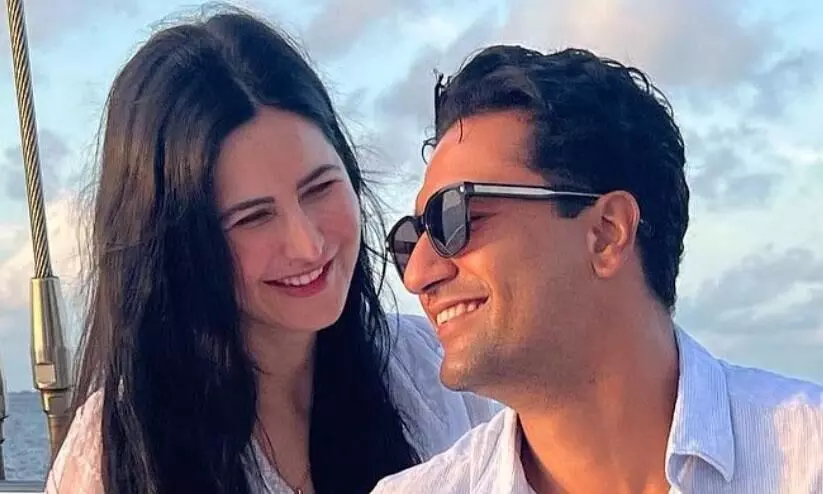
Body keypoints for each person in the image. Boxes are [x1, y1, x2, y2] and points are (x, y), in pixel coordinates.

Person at [44, 9, 497, 494]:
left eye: (319, 188)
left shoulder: (431, 372)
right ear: (178, 249)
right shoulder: (115, 455)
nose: (307, 244)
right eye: (253, 218)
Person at [376, 45, 823, 494]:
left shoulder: (808, 458)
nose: (417, 274)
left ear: (607, 234)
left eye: (453, 217)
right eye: (411, 238)